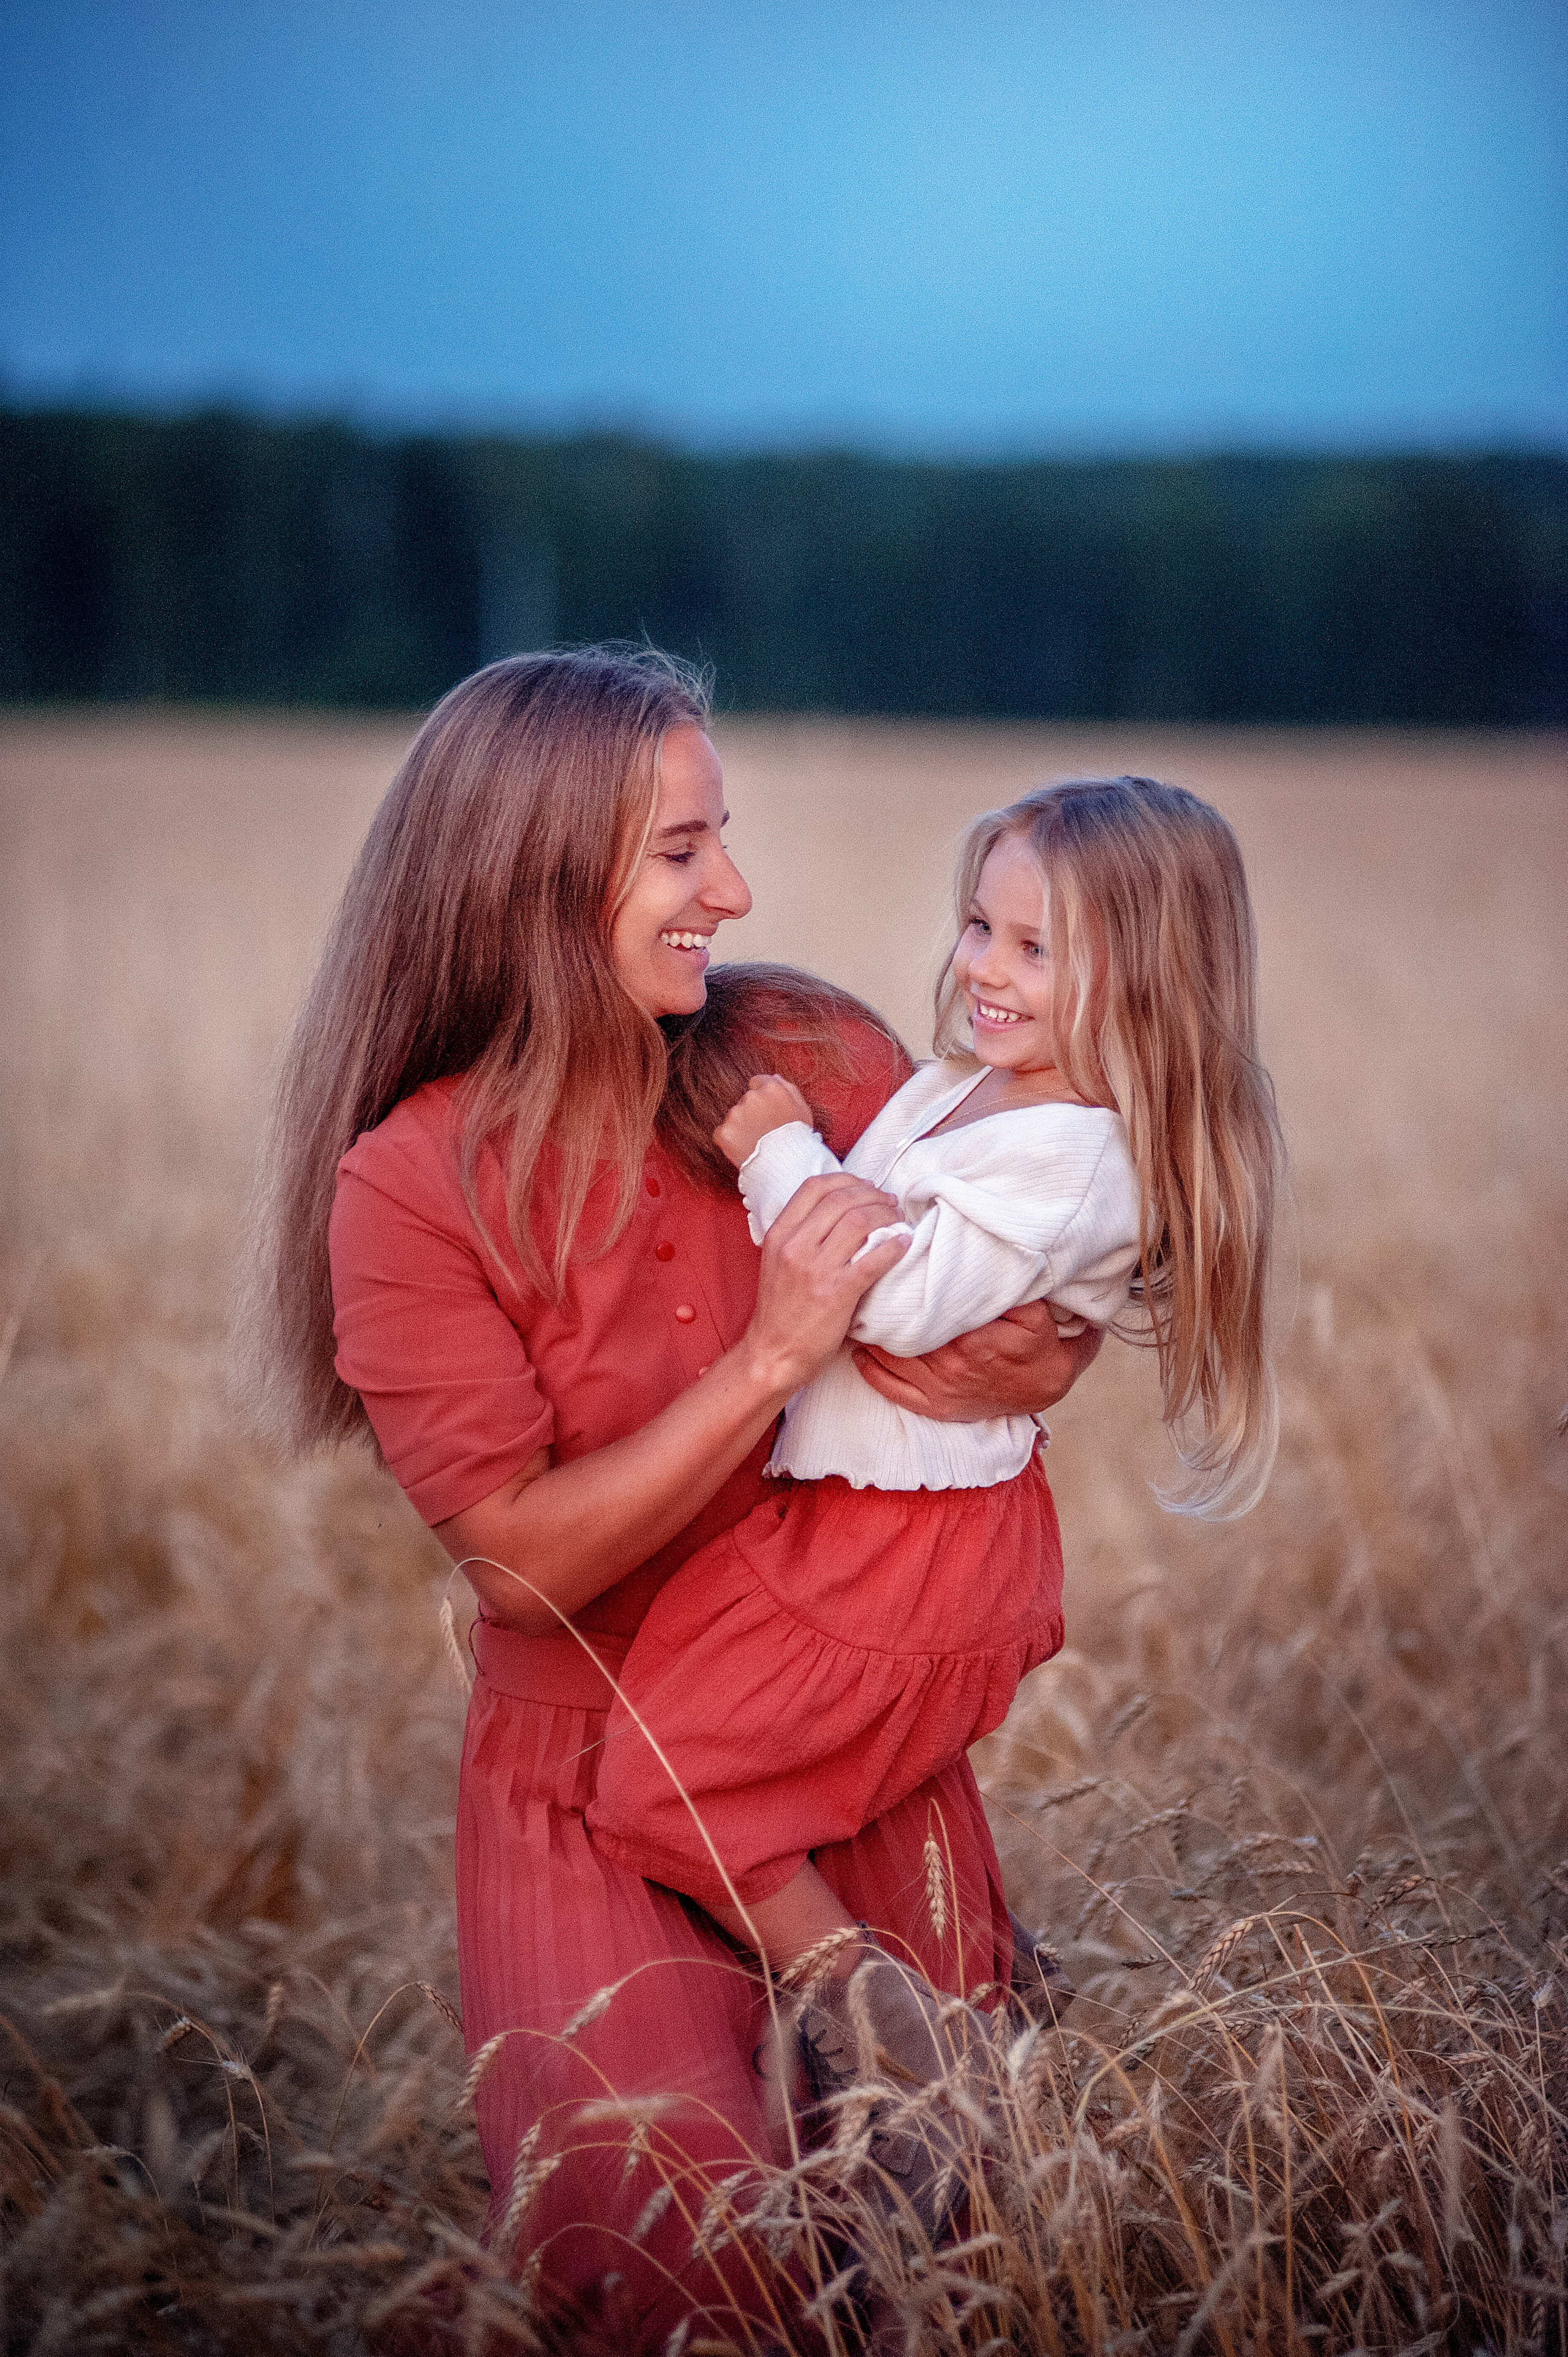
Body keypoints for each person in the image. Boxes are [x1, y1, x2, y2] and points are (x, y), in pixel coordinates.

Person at [243, 647, 1099, 2348]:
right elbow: (518, 1566)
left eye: (726, 837)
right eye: (683, 850)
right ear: (532, 874)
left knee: (958, 2273)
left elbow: (1033, 1225)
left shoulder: (800, 1041)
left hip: (839, 1724)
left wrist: (1052, 1343)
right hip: (590, 1776)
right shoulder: (406, 1186)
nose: (738, 888)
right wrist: (773, 1363)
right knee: (686, 2283)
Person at [587, 775, 1283, 2203]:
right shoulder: (981, 1084)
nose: (982, 969)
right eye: (979, 927)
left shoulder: (1079, 1151)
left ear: (1141, 983)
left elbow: (891, 1299)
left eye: (1035, 951)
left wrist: (777, 1146)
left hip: (913, 1549)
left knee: (663, 1787)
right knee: (707, 1777)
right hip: (864, 1521)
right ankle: (984, 1992)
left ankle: (912, 2049)